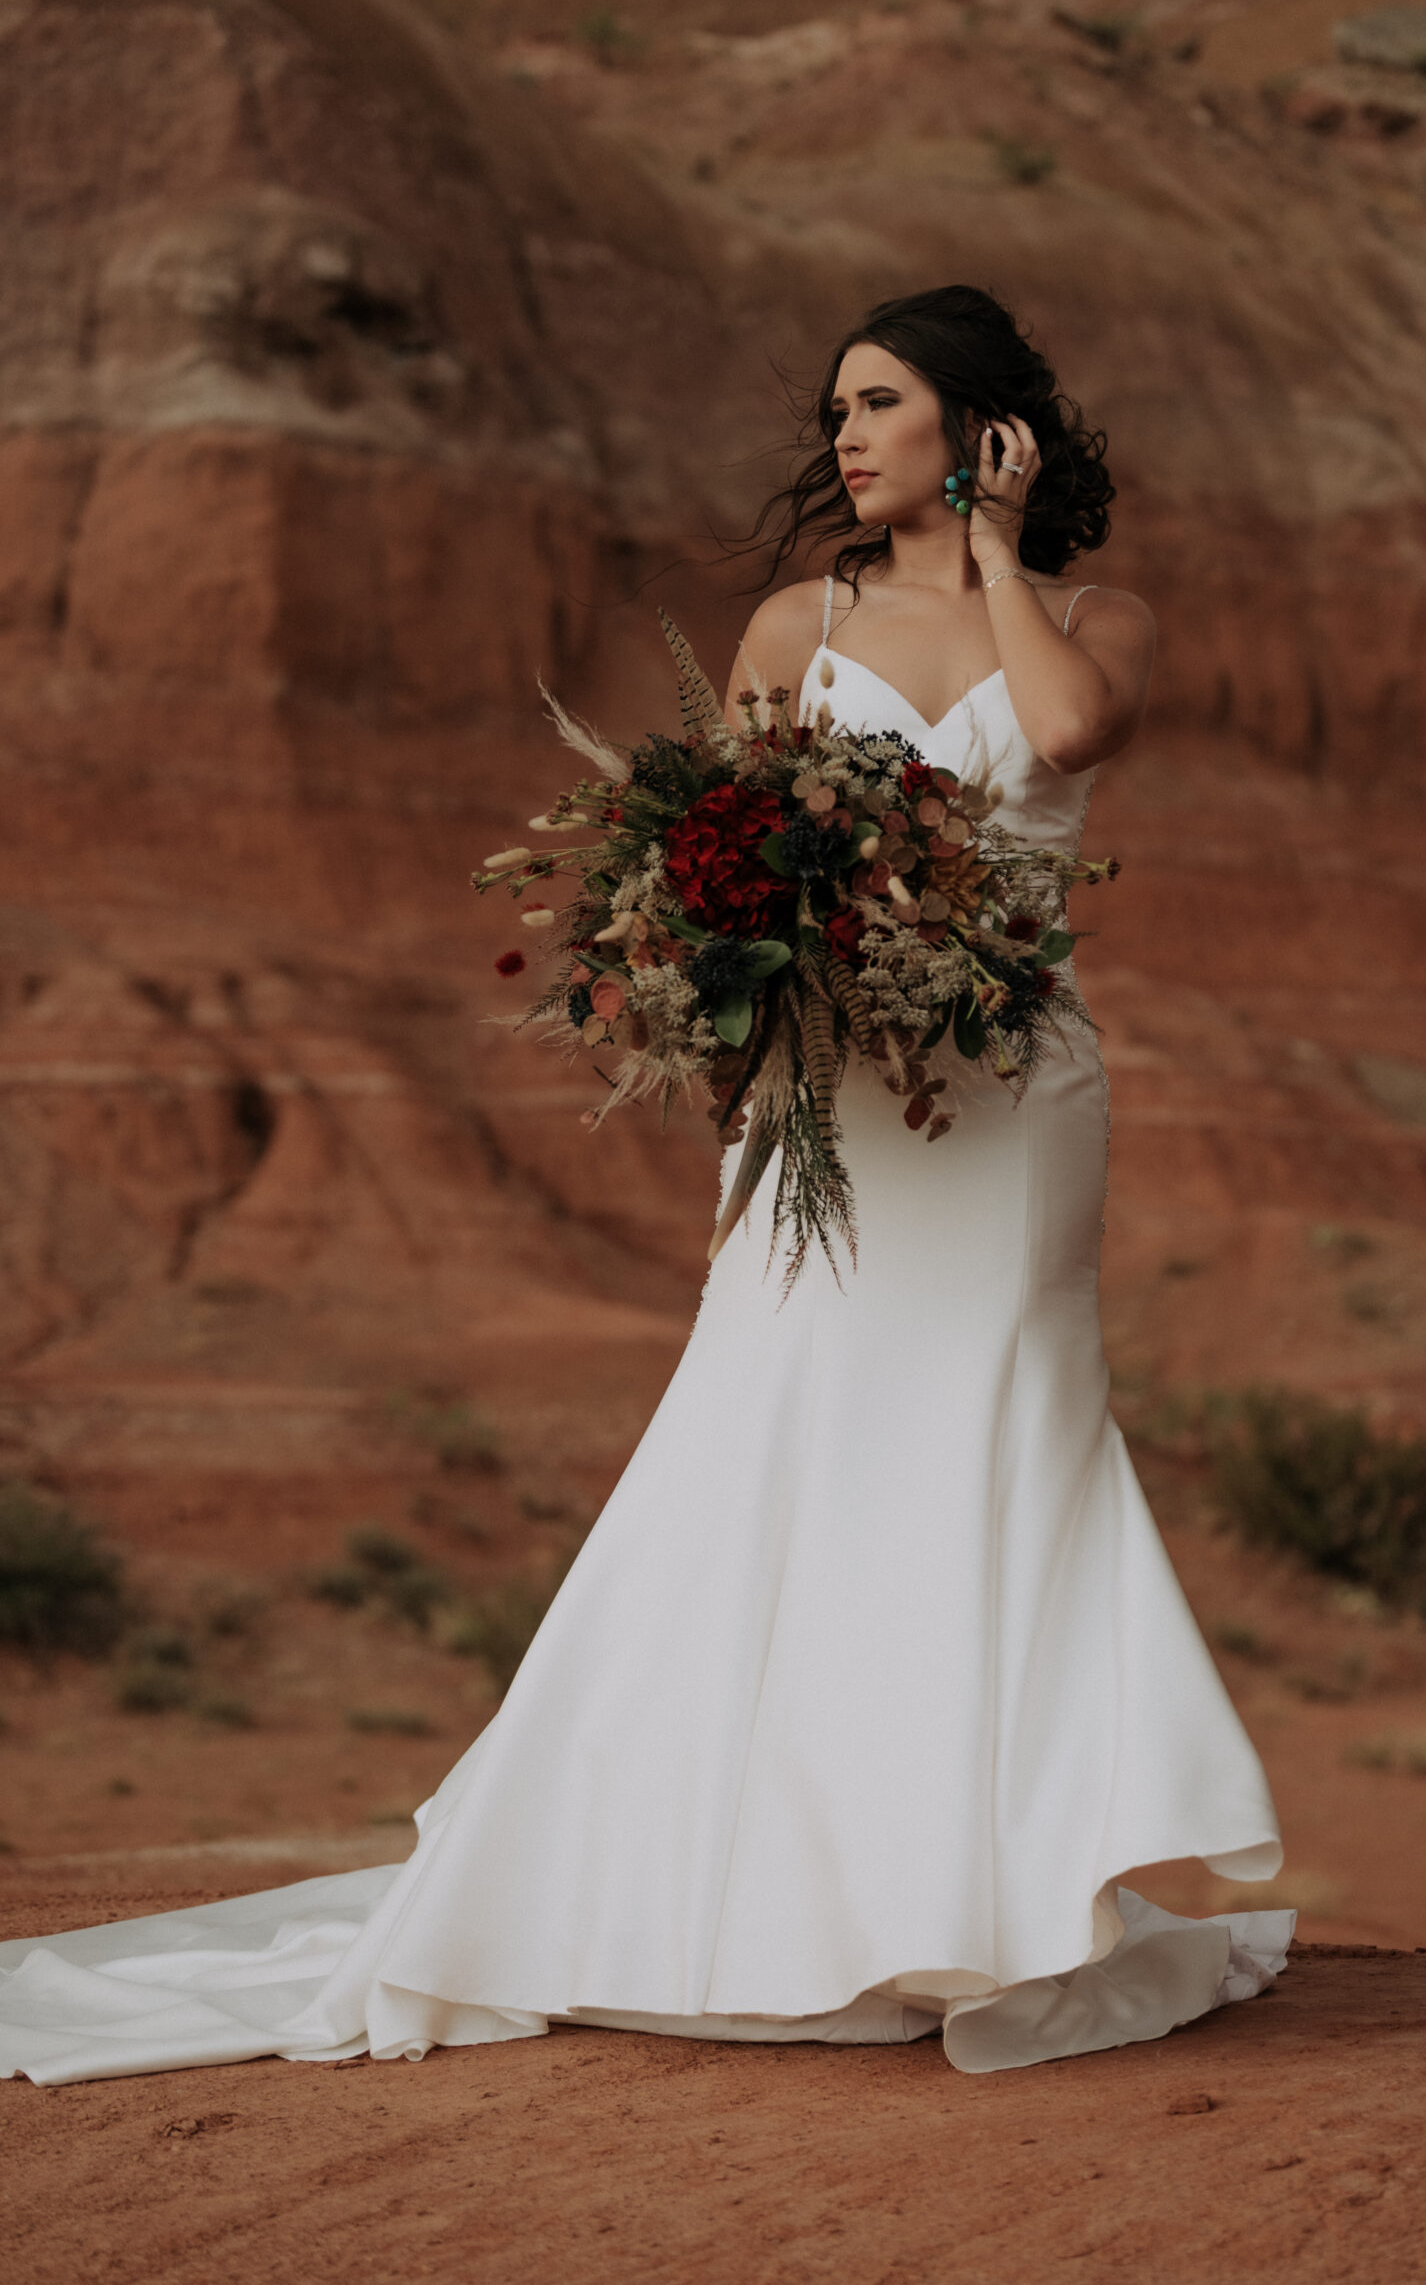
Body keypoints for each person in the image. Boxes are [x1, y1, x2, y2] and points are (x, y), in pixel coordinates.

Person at [0, 286, 1287, 2086]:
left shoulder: (1092, 620)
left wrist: (996, 551)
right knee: (771, 1439)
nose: (844, 435)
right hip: (820, 1102)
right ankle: (743, 1881)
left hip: (1011, 1104)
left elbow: (1063, 737)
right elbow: (718, 851)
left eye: (882, 403)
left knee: (1004, 1441)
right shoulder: (790, 620)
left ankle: (975, 1899)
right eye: (837, 408)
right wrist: (740, 975)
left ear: (984, 431)